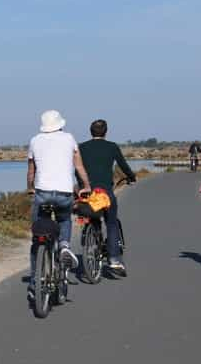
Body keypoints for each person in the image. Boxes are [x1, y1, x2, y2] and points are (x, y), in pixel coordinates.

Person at [27, 110, 92, 297]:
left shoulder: (34, 141)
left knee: (37, 236)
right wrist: (86, 185)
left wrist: (30, 187)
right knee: (64, 219)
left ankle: (34, 282)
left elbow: (31, 171)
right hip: (64, 193)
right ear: (60, 124)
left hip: (42, 194)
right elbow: (79, 166)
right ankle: (64, 245)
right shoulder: (69, 139)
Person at [77, 119, 136, 274]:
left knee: (90, 215)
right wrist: (131, 176)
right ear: (106, 132)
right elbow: (122, 165)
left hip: (88, 191)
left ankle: (91, 236)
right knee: (111, 222)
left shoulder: (81, 147)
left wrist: (82, 186)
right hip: (105, 193)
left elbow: (77, 169)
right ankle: (114, 259)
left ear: (91, 132)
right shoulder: (112, 147)